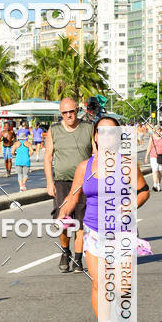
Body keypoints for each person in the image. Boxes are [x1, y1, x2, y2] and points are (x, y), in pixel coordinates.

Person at [58, 116, 150, 322]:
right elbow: (73, 195)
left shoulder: (128, 165)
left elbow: (144, 191)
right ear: (95, 137)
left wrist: (130, 206)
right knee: (99, 283)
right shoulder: (84, 167)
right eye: (101, 131)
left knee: (122, 286)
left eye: (112, 132)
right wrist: (64, 211)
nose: (106, 136)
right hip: (94, 230)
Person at [44, 98, 93, 273]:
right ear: (61, 114)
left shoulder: (89, 128)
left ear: (77, 110)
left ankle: (78, 259)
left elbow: (96, 153)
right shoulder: (54, 130)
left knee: (81, 221)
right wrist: (50, 182)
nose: (68, 115)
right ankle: (65, 252)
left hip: (84, 182)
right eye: (64, 113)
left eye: (71, 111)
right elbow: (48, 157)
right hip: (62, 182)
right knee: (63, 220)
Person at [144, 125, 162, 191]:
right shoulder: (152, 138)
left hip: (161, 156)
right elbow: (149, 147)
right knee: (154, 170)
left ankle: (158, 184)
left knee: (160, 171)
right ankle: (155, 184)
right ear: (155, 131)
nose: (158, 132)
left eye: (159, 131)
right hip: (153, 156)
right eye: (157, 131)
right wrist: (146, 156)